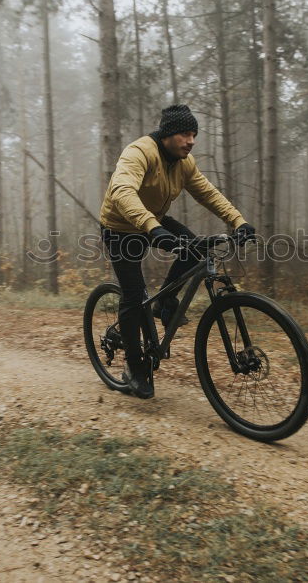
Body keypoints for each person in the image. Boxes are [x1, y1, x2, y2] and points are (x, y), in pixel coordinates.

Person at [99, 104, 255, 399]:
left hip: (153, 219)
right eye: (185, 133)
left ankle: (164, 302)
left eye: (194, 134)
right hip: (121, 227)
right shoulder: (139, 152)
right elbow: (121, 191)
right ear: (168, 133)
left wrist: (239, 221)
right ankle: (134, 368)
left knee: (197, 250)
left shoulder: (184, 162)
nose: (191, 140)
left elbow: (208, 193)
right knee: (134, 295)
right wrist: (153, 228)